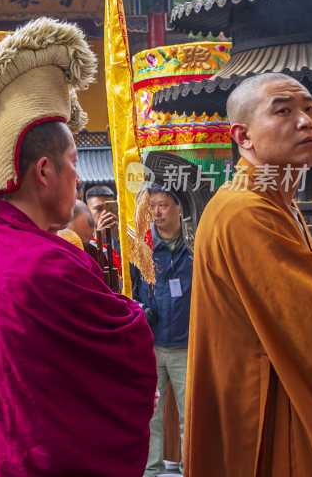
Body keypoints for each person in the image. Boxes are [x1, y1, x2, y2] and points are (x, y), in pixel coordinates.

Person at [0, 17, 157, 475]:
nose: (80, 177)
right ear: (45, 171)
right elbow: (125, 350)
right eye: (74, 163)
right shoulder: (45, 265)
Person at [185, 73, 312, 475]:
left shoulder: (276, 201)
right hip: (262, 418)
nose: (305, 121)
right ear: (244, 137)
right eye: (284, 111)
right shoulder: (245, 211)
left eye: (309, 108)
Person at [133, 184, 193, 477]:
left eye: (163, 205)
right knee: (151, 414)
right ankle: (150, 470)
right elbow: (130, 292)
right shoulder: (142, 247)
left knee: (189, 416)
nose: (156, 212)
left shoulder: (194, 247)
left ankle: (190, 468)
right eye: (153, 205)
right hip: (152, 345)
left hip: (185, 344)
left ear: (180, 207)